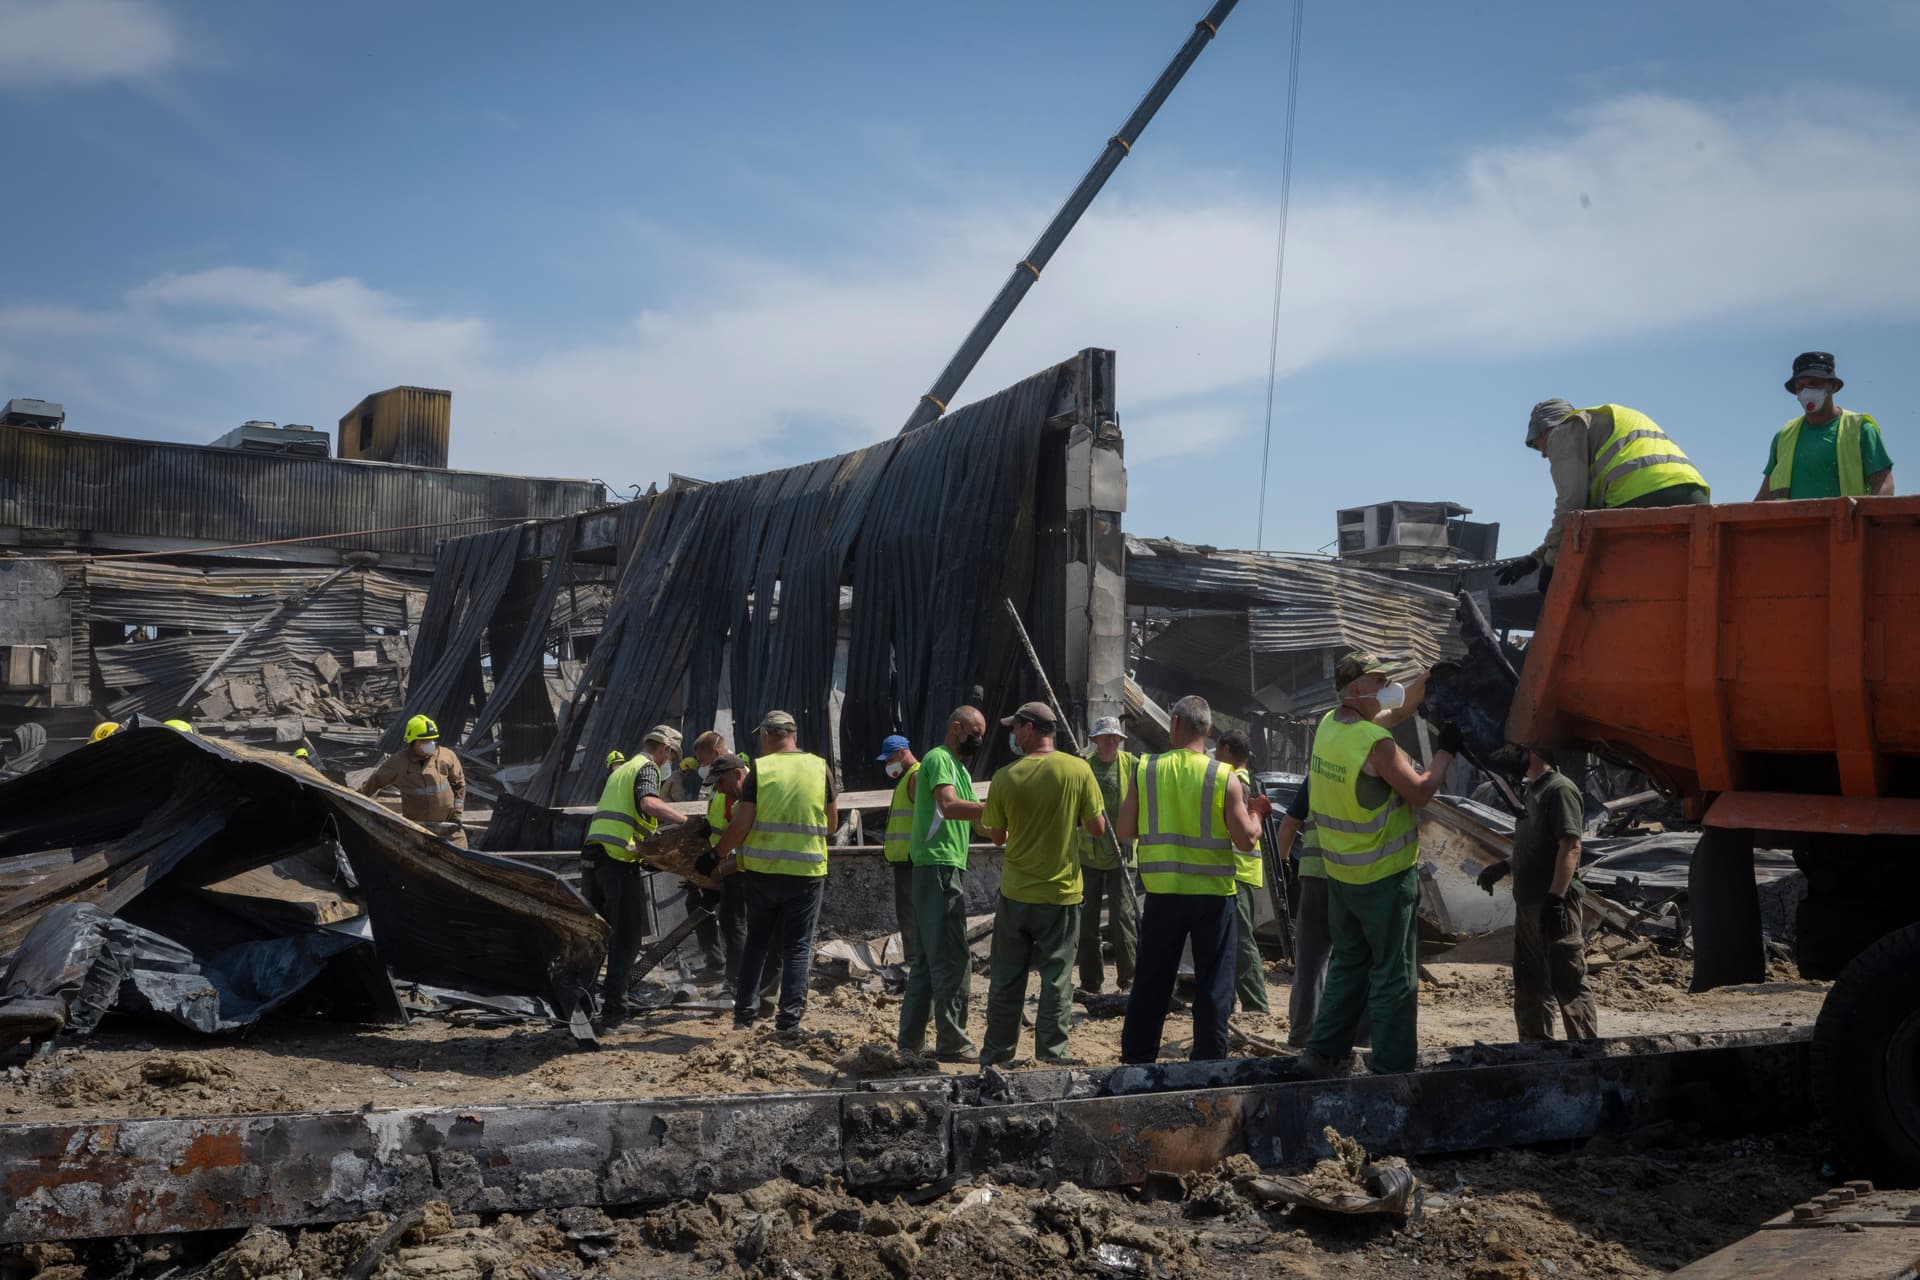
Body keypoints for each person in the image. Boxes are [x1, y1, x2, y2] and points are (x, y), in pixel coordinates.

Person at [1300, 654, 1461, 1077]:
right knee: (1393, 974)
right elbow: (1421, 792)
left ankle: (1323, 1051)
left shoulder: (1330, 727)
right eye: (1378, 680)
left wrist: (1429, 678)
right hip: (1384, 879)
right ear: (1357, 689)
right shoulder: (1376, 743)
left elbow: (1397, 708)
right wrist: (1446, 750)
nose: (1387, 686)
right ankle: (1393, 1070)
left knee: (1348, 964)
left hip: (1342, 877)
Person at [1117, 695, 1266, 1064]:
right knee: (1213, 984)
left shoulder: (1146, 768)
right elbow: (1246, 840)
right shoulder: (1223, 777)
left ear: (1175, 723)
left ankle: (1137, 1061)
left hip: (1162, 894)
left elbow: (1124, 828)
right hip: (1213, 897)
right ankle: (1209, 1062)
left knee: (1151, 980)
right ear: (1210, 731)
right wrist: (1258, 815)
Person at [979, 702, 1107, 1066]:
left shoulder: (1006, 776)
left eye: (1015, 728)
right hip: (1061, 895)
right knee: (1056, 979)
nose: (1013, 735)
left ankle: (997, 1056)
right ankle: (1051, 1056)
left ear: (1029, 728)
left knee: (1006, 978)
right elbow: (1097, 828)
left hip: (1017, 893)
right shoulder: (1078, 770)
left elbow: (999, 837)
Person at [1498, 400, 1709, 592]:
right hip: (1692, 492)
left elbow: (1572, 506)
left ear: (1546, 428)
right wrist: (1535, 559)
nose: (1544, 454)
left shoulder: (1563, 431)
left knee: (1595, 581)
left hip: (1638, 495)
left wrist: (1552, 563)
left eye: (1537, 446)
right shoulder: (1602, 423)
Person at [712, 711, 838, 1032]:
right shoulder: (820, 768)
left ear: (768, 735)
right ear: (792, 734)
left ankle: (744, 1017)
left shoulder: (760, 769)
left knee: (757, 942)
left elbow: (742, 824)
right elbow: (832, 824)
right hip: (807, 873)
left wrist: (717, 854)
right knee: (796, 947)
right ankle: (789, 1021)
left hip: (763, 874)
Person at [1477, 749, 1599, 1041]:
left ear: (1534, 751)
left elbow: (1570, 846)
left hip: (1554, 905)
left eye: (1517, 750)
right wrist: (1504, 867)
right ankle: (1535, 1052)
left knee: (1568, 984)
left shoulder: (1559, 789)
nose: (1509, 755)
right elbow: (1536, 845)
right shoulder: (1531, 791)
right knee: (1530, 984)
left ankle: (1584, 1055)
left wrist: (1556, 899)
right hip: (1529, 904)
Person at [897, 706, 989, 1062]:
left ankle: (910, 1042)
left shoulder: (961, 769)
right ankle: (952, 1042)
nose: (979, 741)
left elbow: (979, 823)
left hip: (939, 867)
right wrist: (995, 806)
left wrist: (1007, 825)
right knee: (952, 958)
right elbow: (950, 807)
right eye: (975, 733)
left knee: (925, 960)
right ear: (956, 728)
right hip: (937, 868)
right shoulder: (938, 759)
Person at [582, 724, 688, 1024]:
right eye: (672, 757)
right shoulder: (647, 768)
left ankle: (583, 1002)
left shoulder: (622, 769)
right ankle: (615, 1011)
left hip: (595, 857)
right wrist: (685, 821)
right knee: (627, 937)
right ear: (665, 749)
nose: (670, 764)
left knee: (598, 935)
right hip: (616, 861)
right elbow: (648, 803)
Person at [1755, 352, 1894, 500]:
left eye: (1814, 383)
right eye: (1800, 386)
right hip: (1793, 523)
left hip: (1845, 523)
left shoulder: (1861, 430)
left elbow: (1884, 485)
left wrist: (1866, 519)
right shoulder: (1783, 436)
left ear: (1833, 385)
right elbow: (1764, 496)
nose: (1806, 391)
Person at [1076, 717, 1138, 994]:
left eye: (1115, 737)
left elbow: (1142, 802)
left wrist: (1131, 834)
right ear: (1096, 740)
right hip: (1089, 854)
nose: (1112, 741)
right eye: (1106, 737)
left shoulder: (1132, 765)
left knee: (1122, 919)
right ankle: (1091, 982)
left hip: (1121, 855)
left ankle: (1130, 980)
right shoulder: (1084, 767)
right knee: (1087, 921)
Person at [1213, 730, 1271, 1016]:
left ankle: (1256, 1004)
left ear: (1225, 750)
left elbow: (1246, 831)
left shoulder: (1237, 782)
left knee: (1241, 938)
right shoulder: (1246, 781)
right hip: (1239, 872)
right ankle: (1235, 1000)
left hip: (1238, 871)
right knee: (1233, 938)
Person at [360, 714, 467, 846]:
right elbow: (374, 783)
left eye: (433, 740)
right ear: (412, 742)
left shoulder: (446, 756)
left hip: (449, 829)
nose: (430, 744)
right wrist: (353, 800)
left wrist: (457, 813)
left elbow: (459, 786)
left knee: (461, 857)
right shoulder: (398, 763)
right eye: (425, 741)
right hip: (416, 830)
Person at [876, 734, 923, 965]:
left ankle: (915, 959)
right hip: (903, 858)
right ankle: (914, 958)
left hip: (912, 858)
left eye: (890, 759)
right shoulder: (907, 778)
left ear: (903, 752)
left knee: (912, 912)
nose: (887, 764)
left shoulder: (916, 776)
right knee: (907, 912)